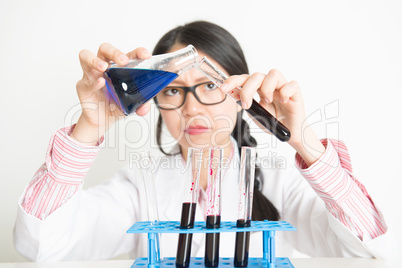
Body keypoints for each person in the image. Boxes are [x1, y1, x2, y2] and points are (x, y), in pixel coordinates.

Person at [14, 21, 394, 262]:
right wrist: (89, 126)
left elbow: (368, 244)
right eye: (173, 90)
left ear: (241, 90)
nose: (193, 108)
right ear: (154, 101)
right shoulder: (137, 187)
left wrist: (304, 140)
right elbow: (41, 244)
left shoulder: (283, 185)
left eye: (210, 85)